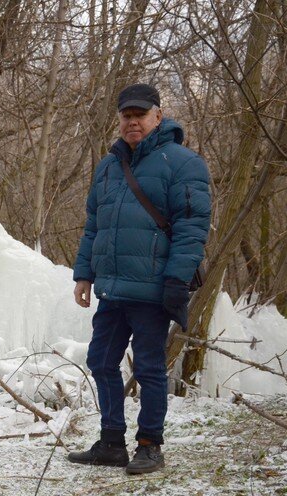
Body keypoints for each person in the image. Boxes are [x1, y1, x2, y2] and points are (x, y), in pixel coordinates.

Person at [68, 83, 211, 474]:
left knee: (148, 369)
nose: (133, 122)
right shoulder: (110, 165)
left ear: (158, 116)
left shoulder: (183, 163)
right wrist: (84, 274)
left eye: (140, 115)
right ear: (120, 120)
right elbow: (94, 224)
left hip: (153, 288)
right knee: (100, 362)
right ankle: (112, 442)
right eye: (127, 116)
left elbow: (192, 228)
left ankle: (150, 444)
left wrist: (176, 280)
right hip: (112, 289)